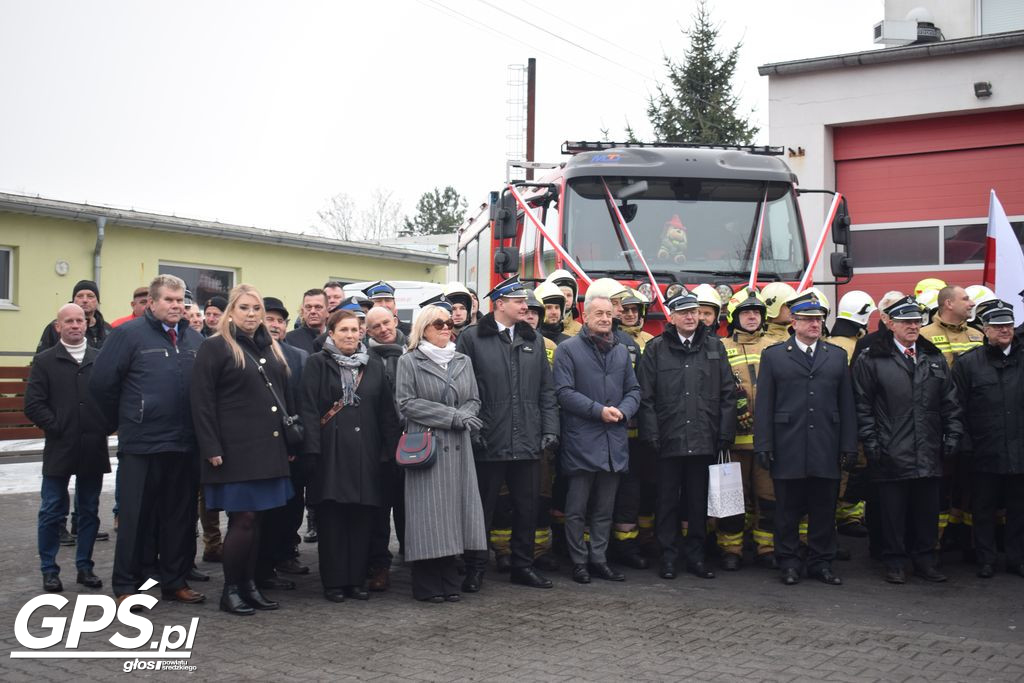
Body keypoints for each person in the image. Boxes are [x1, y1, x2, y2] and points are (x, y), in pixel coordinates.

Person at [90, 274, 206, 605]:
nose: (175, 305)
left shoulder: (195, 341)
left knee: (179, 519)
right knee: (136, 519)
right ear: (152, 303)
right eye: (168, 299)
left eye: (180, 299)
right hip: (142, 444)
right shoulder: (128, 336)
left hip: (184, 445)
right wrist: (124, 421)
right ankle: (127, 585)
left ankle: (174, 581)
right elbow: (101, 385)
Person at [190, 284, 294, 615]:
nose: (251, 314)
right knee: (243, 520)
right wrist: (211, 446)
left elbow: (283, 395)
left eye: (256, 309)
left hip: (269, 448)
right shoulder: (216, 347)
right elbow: (201, 401)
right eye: (245, 308)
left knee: (258, 520)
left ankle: (250, 586)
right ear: (231, 311)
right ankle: (231, 589)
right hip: (234, 451)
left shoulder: (271, 347)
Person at [456, 275, 559, 591]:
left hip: (528, 441)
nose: (525, 307)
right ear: (499, 304)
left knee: (527, 509)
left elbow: (546, 390)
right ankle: (475, 568)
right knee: (481, 512)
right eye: (518, 301)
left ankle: (522, 566)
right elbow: (462, 389)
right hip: (489, 439)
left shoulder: (534, 339)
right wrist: (473, 429)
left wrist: (550, 430)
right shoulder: (472, 339)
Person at [853, 295, 964, 584]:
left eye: (916, 321)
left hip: (928, 448)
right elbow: (862, 406)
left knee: (926, 511)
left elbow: (950, 402)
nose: (913, 326)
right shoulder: (872, 358)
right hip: (891, 449)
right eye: (906, 321)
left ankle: (926, 560)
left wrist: (952, 435)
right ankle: (895, 561)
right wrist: (872, 442)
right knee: (893, 513)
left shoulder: (933, 357)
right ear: (890, 324)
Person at [754, 290, 857, 586]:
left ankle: (821, 562)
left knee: (824, 510)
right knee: (787, 510)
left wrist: (849, 446)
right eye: (808, 319)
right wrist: (764, 445)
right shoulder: (774, 356)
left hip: (826, 445)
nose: (815, 324)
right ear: (794, 323)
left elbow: (847, 406)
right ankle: (788, 562)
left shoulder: (836, 357)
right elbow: (765, 405)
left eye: (819, 319)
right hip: (788, 445)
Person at [300, 310, 401, 602]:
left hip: (366, 454)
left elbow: (386, 414)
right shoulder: (316, 364)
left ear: (362, 334)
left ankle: (356, 581)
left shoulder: (374, 366)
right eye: (343, 329)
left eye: (355, 330)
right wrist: (311, 451)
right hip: (330, 455)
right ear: (331, 333)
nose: (349, 335)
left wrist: (390, 452)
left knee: (361, 520)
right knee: (332, 520)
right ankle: (333, 582)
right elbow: (307, 409)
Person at [637, 290, 735, 580]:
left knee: (697, 503)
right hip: (668, 440)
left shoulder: (714, 347)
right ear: (672, 316)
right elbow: (646, 397)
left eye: (694, 312)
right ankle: (668, 557)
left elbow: (728, 394)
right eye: (684, 312)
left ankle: (696, 557)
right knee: (666, 502)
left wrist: (725, 432)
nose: (691, 317)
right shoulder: (655, 349)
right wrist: (651, 434)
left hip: (704, 439)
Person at [395, 304, 488, 602]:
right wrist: (453, 416)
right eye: (438, 323)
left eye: (449, 322)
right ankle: (426, 585)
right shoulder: (409, 361)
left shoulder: (463, 360)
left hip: (459, 450)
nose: (446, 327)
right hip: (427, 448)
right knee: (429, 517)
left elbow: (473, 399)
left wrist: (464, 416)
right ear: (423, 328)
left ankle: (450, 581)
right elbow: (407, 404)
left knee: (454, 516)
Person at [553, 294, 641, 584]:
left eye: (608, 313)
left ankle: (599, 559)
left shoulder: (621, 350)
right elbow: (563, 392)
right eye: (598, 313)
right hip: (582, 441)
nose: (605, 318)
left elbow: (634, 390)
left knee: (605, 509)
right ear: (586, 317)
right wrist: (598, 411)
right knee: (577, 509)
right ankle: (579, 561)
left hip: (613, 441)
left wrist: (624, 411)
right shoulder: (568, 350)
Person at [25, 303, 112, 592]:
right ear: (57, 327)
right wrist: (58, 425)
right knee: (51, 509)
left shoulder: (101, 359)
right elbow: (33, 404)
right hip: (60, 447)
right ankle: (49, 569)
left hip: (92, 447)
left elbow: (113, 399)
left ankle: (84, 567)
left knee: (88, 510)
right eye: (69, 321)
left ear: (86, 324)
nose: (75, 325)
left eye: (80, 320)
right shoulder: (45, 361)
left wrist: (103, 426)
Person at [952, 301, 1024, 579]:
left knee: (1019, 508)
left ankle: (1016, 558)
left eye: (1008, 325)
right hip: (984, 449)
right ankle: (985, 558)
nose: (1004, 330)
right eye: (997, 326)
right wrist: (966, 443)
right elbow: (956, 406)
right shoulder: (969, 364)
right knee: (982, 509)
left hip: (1019, 449)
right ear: (985, 330)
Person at [920, 285, 984, 548]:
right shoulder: (924, 335)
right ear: (948, 304)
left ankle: (964, 541)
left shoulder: (977, 335)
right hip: (939, 424)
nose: (971, 304)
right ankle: (933, 545)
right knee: (940, 487)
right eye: (965, 299)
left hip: (975, 423)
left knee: (969, 485)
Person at [718, 289, 776, 570]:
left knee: (768, 497)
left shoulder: (777, 346)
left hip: (767, 440)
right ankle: (731, 549)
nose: (752, 317)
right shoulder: (720, 348)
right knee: (731, 499)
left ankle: (767, 547)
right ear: (733, 317)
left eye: (757, 312)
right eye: (746, 312)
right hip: (733, 442)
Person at [262, 297, 311, 583]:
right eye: (269, 319)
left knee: (292, 505)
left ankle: (285, 554)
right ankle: (262, 562)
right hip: (260, 447)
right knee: (264, 509)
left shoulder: (298, 357)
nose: (275, 325)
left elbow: (304, 402)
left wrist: (298, 442)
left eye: (280, 320)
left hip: (292, 446)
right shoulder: (247, 353)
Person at [365, 304, 409, 591]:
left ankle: (416, 558)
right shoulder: (362, 359)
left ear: (395, 320)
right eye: (376, 327)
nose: (383, 330)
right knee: (378, 513)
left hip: (411, 444)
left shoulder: (414, 351)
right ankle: (379, 566)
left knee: (411, 508)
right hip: (377, 448)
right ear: (367, 332)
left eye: (386, 323)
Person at [829, 291, 877, 540]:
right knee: (854, 469)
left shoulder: (828, 344)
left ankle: (844, 516)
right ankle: (848, 516)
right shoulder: (856, 346)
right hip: (855, 419)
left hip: (835, 420)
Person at [37, 279, 112, 352]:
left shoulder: (107, 329)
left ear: (97, 302)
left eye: (90, 296)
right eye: (80, 296)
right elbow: (41, 359)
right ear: (73, 300)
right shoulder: (57, 327)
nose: (85, 300)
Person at [286, 288, 328, 355]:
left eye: (318, 307)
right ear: (303, 311)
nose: (312, 311)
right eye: (308, 307)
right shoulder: (289, 339)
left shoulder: (336, 338)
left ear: (327, 311)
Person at [544, 269, 582, 337]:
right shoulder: (538, 329)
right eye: (561, 294)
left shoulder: (581, 331)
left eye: (569, 295)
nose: (566, 299)